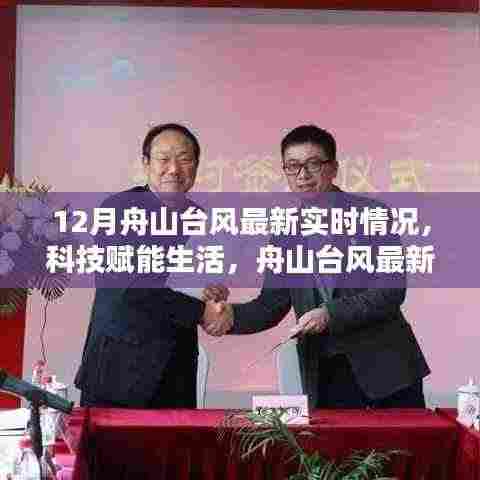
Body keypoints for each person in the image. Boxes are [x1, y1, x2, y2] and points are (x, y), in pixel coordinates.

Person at [204, 125, 430, 409]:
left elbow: (390, 291)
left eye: (313, 164)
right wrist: (223, 316)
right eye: (293, 166)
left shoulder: (372, 214)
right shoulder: (285, 234)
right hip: (325, 374)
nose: (303, 175)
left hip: (387, 370)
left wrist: (329, 313)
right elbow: (270, 305)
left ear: (333, 168)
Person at [74, 123, 226, 408]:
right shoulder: (118, 209)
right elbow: (130, 287)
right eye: (163, 158)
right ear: (146, 163)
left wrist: (211, 291)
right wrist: (200, 311)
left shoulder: (200, 217)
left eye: (184, 159)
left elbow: (192, 279)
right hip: (118, 373)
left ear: (196, 166)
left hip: (176, 371)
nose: (174, 169)